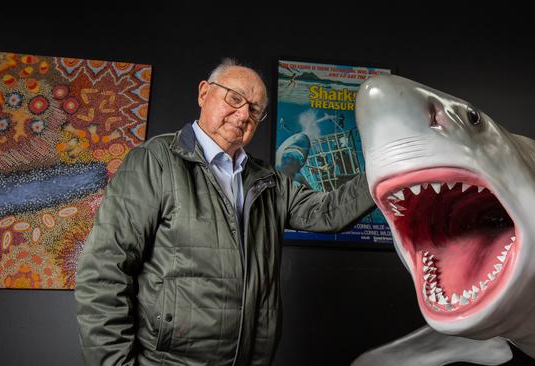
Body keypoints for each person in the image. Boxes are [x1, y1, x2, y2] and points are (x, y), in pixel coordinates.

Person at [74, 58, 375, 366]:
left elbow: (329, 212)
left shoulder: (268, 181)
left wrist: (388, 165)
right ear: (204, 93)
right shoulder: (154, 161)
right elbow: (103, 271)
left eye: (254, 109)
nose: (244, 114)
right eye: (235, 98)